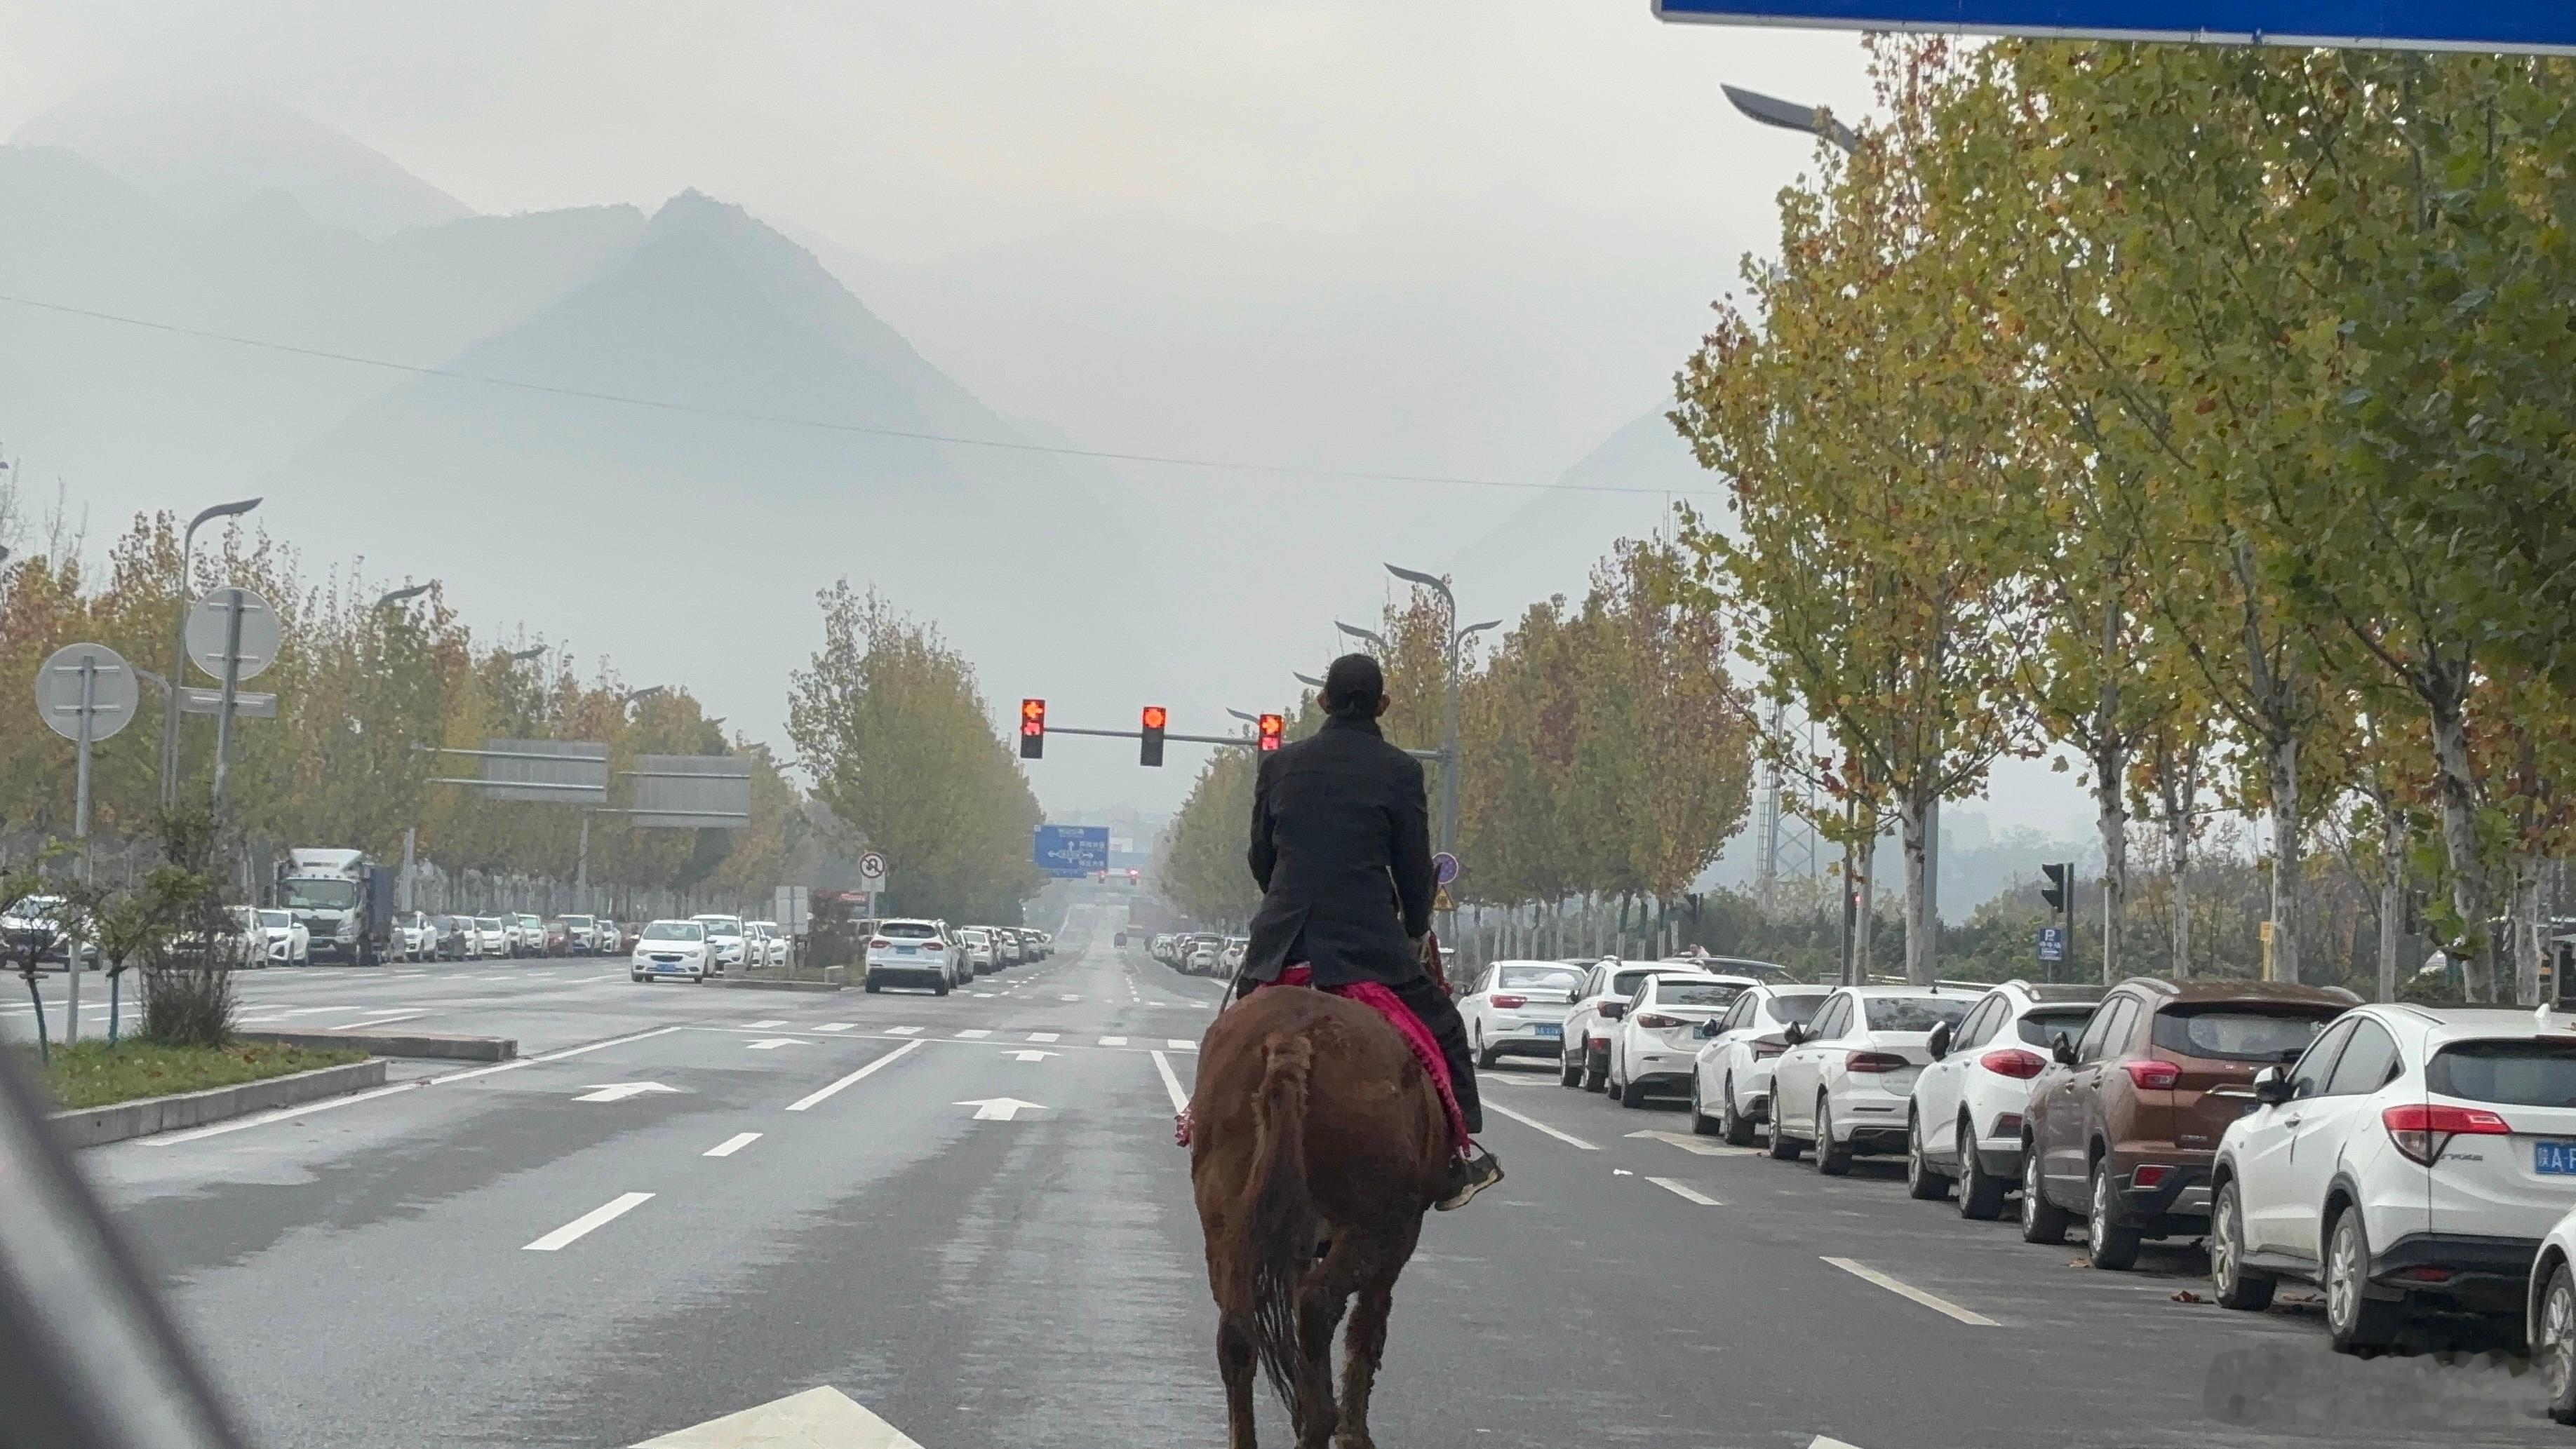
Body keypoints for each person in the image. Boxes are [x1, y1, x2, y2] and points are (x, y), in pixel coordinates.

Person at [1238, 652, 1503, 1210]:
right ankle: (1457, 1160)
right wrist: (1414, 923)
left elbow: (1261, 859)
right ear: (1382, 705)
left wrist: (1284, 905)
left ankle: (1214, 1132)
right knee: (1446, 1031)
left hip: (1282, 944)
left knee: (1234, 1035)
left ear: (1322, 701)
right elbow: (1413, 870)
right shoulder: (1400, 771)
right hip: (1365, 947)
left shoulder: (1280, 766)